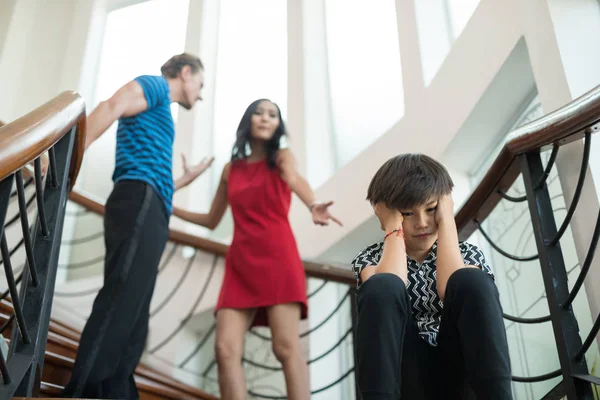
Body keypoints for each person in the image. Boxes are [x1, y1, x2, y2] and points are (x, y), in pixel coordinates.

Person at [63, 53, 214, 399]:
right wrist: (70, 155)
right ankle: (84, 391)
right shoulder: (155, 85)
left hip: (155, 204)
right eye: (200, 85)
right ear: (186, 72)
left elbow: (149, 166)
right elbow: (111, 105)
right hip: (139, 199)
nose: (201, 94)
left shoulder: (162, 112)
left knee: (136, 313)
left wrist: (182, 181)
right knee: (121, 297)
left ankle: (116, 391)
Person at [172, 99, 342, 400]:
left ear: (278, 125)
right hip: (240, 264)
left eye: (272, 115)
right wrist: (170, 208)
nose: (265, 118)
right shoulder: (230, 169)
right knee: (225, 348)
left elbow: (294, 179)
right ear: (248, 120)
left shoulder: (282, 158)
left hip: (278, 257)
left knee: (285, 346)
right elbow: (212, 221)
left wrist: (313, 203)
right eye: (259, 113)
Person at [351, 153, 512, 400]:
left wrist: (447, 220)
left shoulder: (468, 253)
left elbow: (451, 286)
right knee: (381, 285)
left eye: (431, 209)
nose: (422, 222)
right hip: (404, 380)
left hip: (461, 375)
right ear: (386, 213)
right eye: (407, 214)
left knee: (471, 280)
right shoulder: (370, 259)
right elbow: (388, 288)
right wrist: (393, 228)